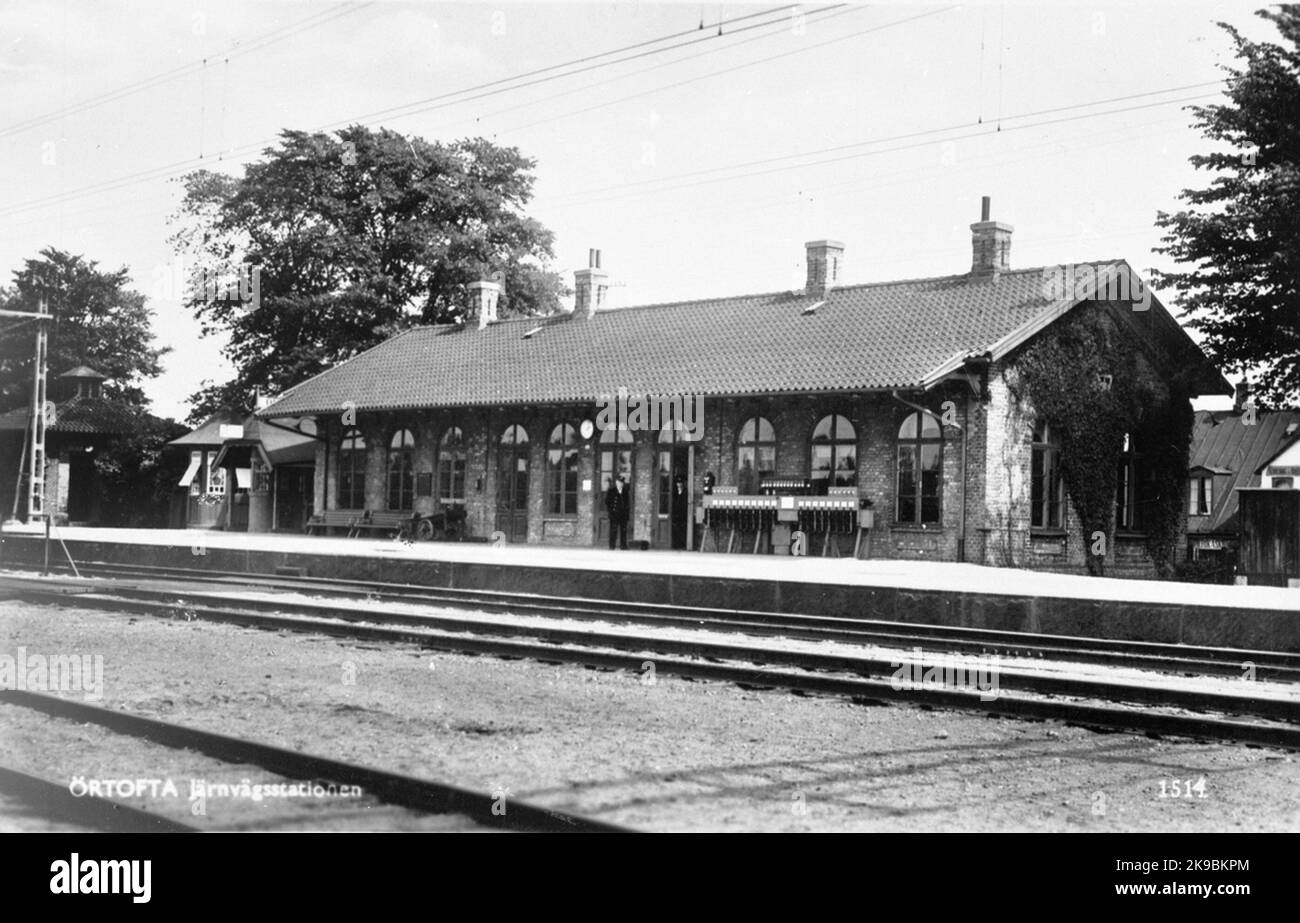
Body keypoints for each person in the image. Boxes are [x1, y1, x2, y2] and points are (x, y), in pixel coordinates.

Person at [605, 474, 630, 550]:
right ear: (616, 482)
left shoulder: (625, 491)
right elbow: (607, 502)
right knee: (613, 530)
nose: (620, 484)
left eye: (622, 483)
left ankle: (623, 546)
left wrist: (627, 513)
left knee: (623, 531)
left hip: (623, 514)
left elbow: (627, 503)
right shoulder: (611, 491)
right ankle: (612, 546)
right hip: (614, 514)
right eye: (619, 482)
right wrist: (611, 511)